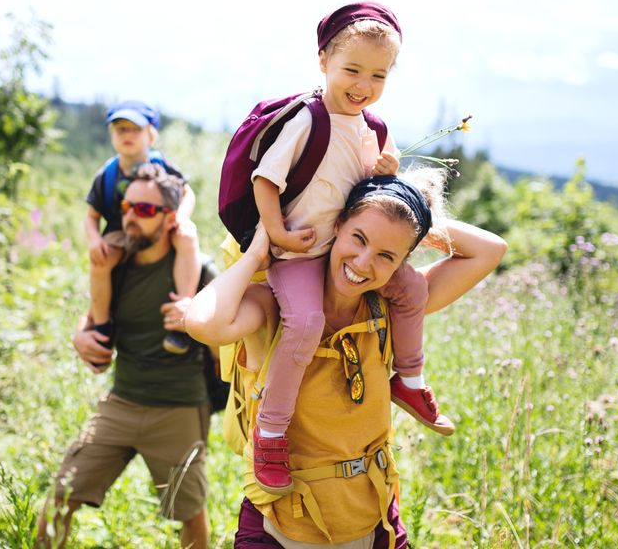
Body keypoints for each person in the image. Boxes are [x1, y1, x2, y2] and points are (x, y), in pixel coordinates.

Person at [186, 169, 508, 548]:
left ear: (401, 262)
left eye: (387, 255)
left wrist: (409, 211)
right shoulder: (274, 306)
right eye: (358, 237)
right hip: (279, 526)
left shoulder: (391, 308)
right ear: (335, 225)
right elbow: (203, 323)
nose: (363, 262)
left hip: (374, 523)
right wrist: (257, 252)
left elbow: (491, 250)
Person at [235, 0, 450, 495]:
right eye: (351, 69)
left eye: (378, 75)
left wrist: (387, 169)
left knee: (412, 288)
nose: (363, 85)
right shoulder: (308, 121)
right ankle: (271, 433)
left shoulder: (372, 127)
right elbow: (265, 180)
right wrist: (279, 236)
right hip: (299, 254)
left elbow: (375, 185)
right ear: (323, 62)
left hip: (346, 252)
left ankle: (409, 380)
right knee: (306, 322)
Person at [37, 165, 216, 549]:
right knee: (60, 497)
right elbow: (92, 319)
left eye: (145, 210)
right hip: (121, 403)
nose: (131, 216)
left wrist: (198, 323)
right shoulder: (117, 265)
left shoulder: (199, 270)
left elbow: (227, 336)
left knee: (190, 512)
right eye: (127, 206)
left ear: (170, 219)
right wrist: (79, 338)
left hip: (179, 408)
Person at [84, 100, 200, 356]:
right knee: (100, 262)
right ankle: (102, 326)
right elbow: (91, 216)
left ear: (151, 135)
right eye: (120, 129)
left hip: (160, 224)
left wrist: (181, 217)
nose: (127, 135)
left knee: (187, 237)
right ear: (111, 135)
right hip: (120, 230)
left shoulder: (163, 165)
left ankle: (181, 314)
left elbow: (187, 193)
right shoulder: (107, 174)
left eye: (135, 129)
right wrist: (94, 240)